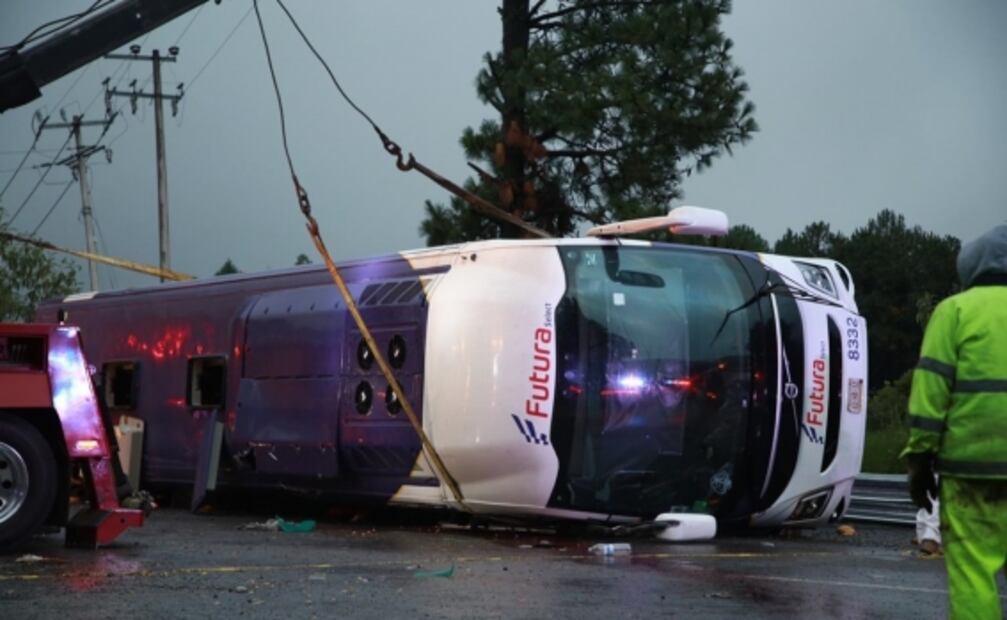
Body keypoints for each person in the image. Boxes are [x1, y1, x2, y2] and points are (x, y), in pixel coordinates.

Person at [901, 223, 1007, 619]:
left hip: (970, 472)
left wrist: (919, 461)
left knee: (973, 574)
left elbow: (930, 396)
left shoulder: (955, 312)